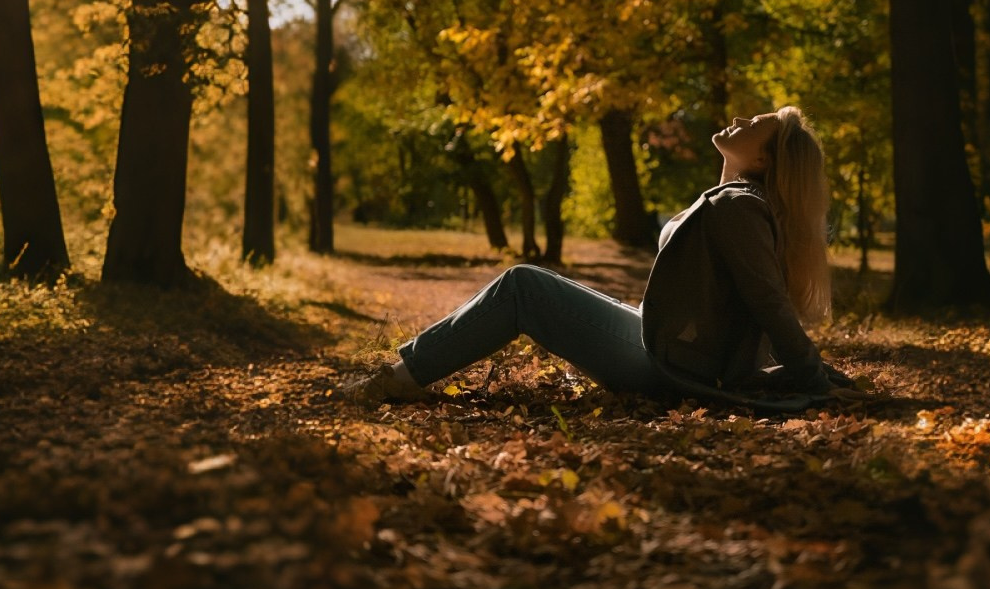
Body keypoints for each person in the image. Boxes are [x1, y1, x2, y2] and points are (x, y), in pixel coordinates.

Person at [351, 106, 851, 407]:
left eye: (754, 124)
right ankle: (404, 372)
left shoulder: (738, 207)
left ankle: (398, 380)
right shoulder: (738, 201)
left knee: (524, 287)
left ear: (762, 160)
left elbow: (767, 303)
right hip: (672, 349)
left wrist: (812, 377)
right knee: (551, 290)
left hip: (668, 365)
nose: (739, 119)